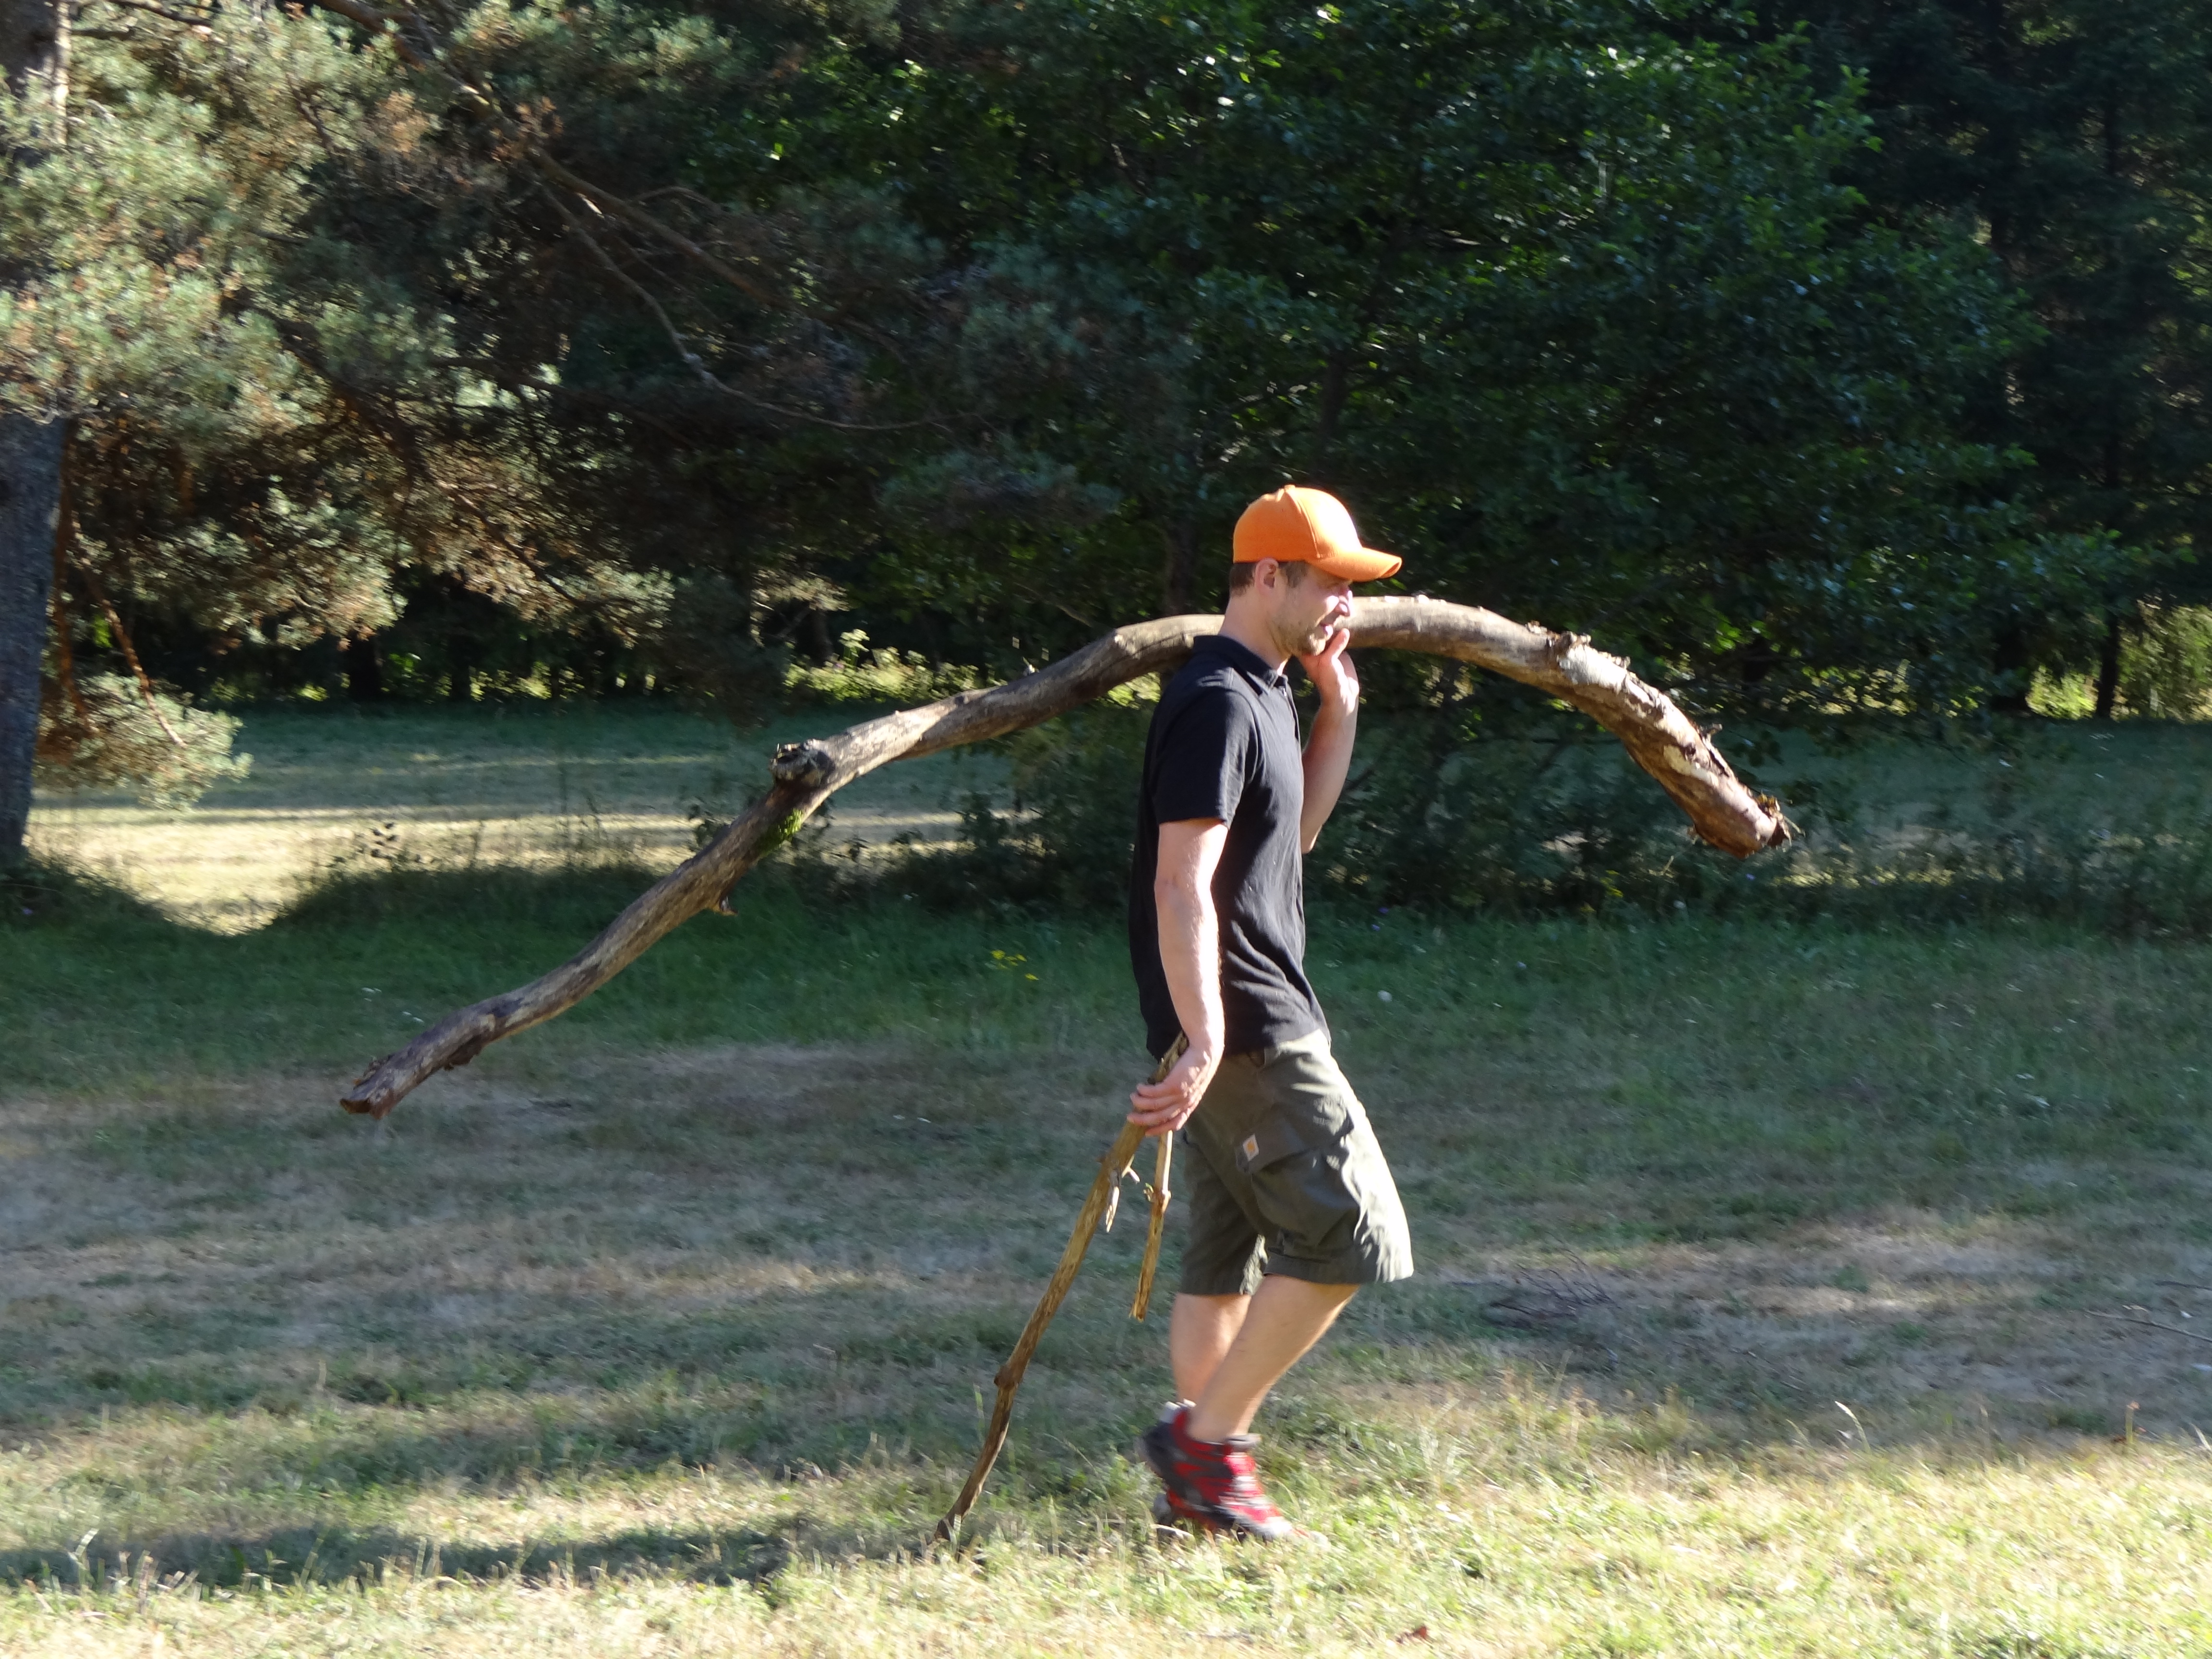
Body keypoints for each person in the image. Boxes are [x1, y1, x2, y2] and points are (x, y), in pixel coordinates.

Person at [1128, 484, 1415, 1541]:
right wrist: (1207, 1036)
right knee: (1352, 1232)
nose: (1345, 600)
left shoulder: (1265, 693)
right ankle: (1208, 1450)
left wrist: (1340, 709)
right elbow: (1180, 883)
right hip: (1247, 1022)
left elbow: (1288, 845)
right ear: (1267, 577)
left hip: (1222, 1017)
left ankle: (1200, 1492)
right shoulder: (1217, 701)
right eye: (1330, 581)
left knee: (1224, 1260)